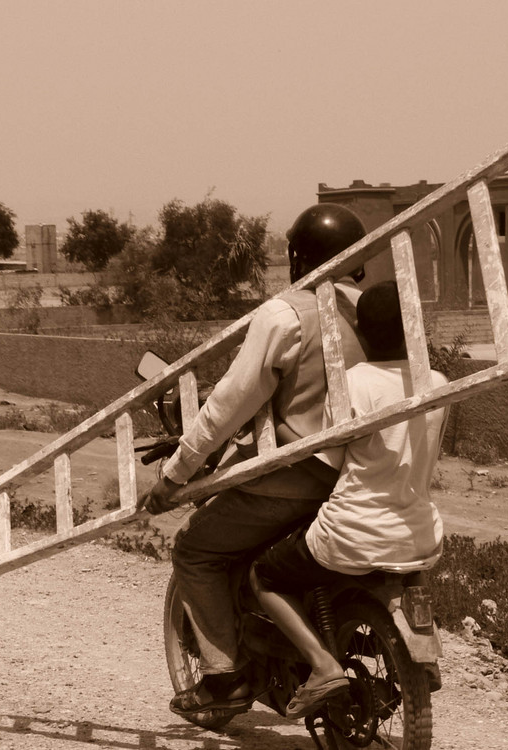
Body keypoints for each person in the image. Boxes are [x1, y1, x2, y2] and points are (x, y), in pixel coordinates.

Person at [140, 203, 368, 718]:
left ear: (297, 258)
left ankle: (225, 679)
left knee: (196, 550)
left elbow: (230, 402)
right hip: (360, 475)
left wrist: (176, 473)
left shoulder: (285, 313)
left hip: (294, 479)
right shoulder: (371, 309)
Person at [249, 280, 450, 719]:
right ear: (415, 328)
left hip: (352, 533)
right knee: (409, 564)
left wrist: (275, 423)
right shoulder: (437, 383)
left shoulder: (352, 384)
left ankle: (322, 666)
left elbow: (327, 460)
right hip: (417, 534)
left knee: (264, 575)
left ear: (360, 332)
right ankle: (423, 647)